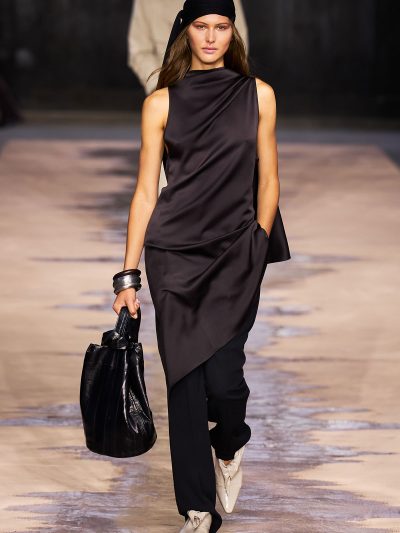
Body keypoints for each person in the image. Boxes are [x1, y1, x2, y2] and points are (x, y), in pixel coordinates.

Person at [113, 1, 291, 531]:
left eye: (221, 27)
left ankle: (230, 443)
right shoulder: (160, 103)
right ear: (185, 32)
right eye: (201, 27)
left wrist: (259, 240)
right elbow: (146, 192)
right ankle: (196, 508)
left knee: (225, 380)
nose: (211, 37)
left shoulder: (258, 95)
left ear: (233, 33)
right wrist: (128, 276)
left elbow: (269, 178)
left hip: (236, 251)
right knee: (185, 382)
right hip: (173, 254)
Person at [127, 0, 249, 195]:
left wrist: (221, 86)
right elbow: (140, 51)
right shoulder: (147, 1)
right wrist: (169, 89)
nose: (210, 37)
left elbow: (238, 39)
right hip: (171, 102)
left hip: (221, 99)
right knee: (163, 186)